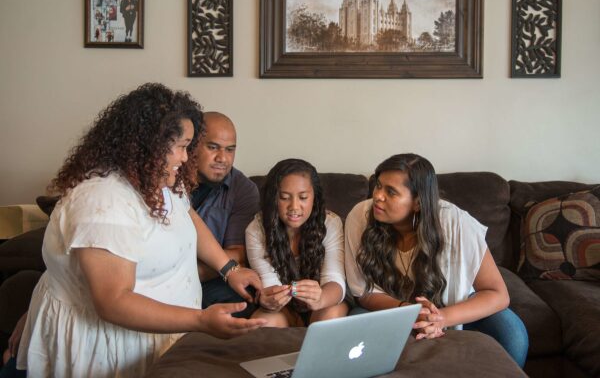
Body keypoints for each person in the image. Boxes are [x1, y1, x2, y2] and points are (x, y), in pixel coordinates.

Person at [15, 83, 266, 377]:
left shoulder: (160, 179)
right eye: (182, 147)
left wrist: (230, 269)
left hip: (155, 336)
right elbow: (114, 301)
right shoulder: (103, 200)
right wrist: (199, 321)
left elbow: (188, 217)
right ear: (149, 145)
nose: (186, 158)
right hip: (104, 346)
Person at [344, 154, 528, 367]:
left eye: (391, 192)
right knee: (354, 324)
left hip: (450, 307)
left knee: (512, 332)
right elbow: (363, 292)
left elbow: (497, 294)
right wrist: (410, 311)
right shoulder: (360, 216)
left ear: (417, 203)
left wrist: (440, 318)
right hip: (391, 307)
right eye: (378, 186)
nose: (378, 196)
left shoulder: (456, 224)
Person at [246, 159, 348, 327]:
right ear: (273, 198)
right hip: (283, 309)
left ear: (314, 197)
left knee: (330, 318)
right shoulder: (256, 230)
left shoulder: (331, 223)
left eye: (303, 197)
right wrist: (270, 298)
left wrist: (320, 298)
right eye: (284, 197)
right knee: (263, 322)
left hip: (324, 303)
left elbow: (335, 279)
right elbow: (270, 282)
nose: (294, 207)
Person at [191, 112, 260, 318]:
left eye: (230, 150)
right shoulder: (169, 179)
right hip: (159, 273)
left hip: (213, 279)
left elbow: (238, 254)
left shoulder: (243, 189)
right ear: (191, 145)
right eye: (212, 147)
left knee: (244, 300)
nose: (222, 158)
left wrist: (183, 276)